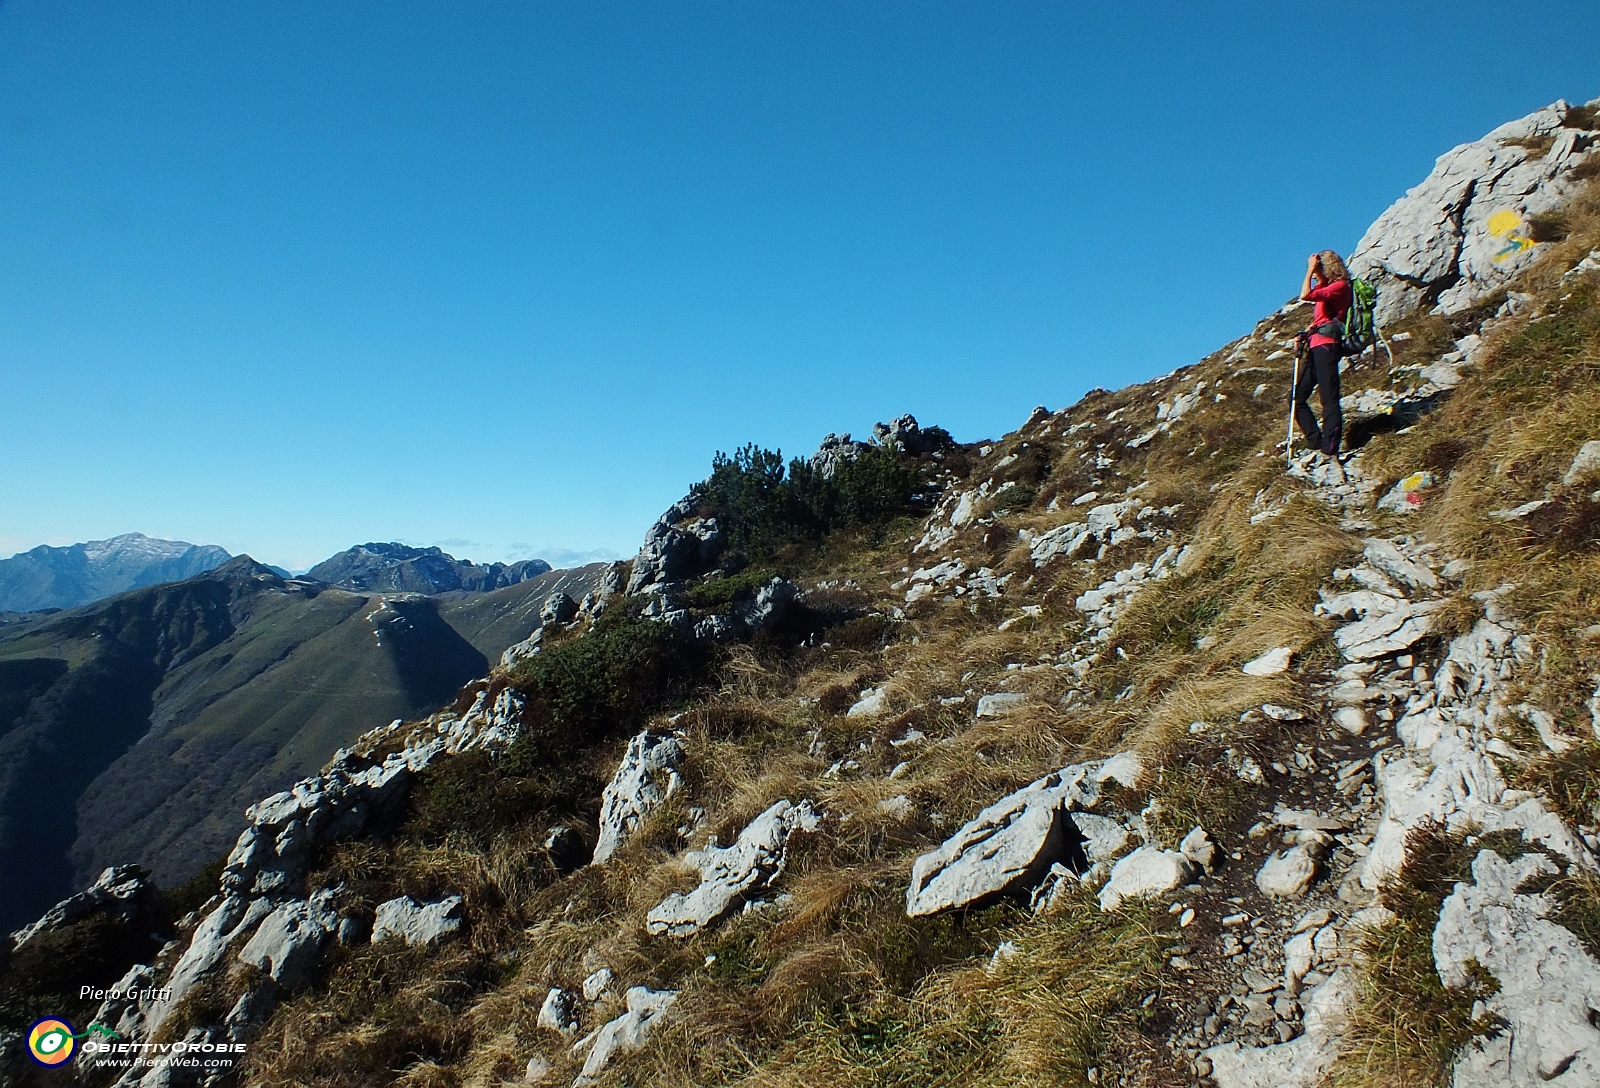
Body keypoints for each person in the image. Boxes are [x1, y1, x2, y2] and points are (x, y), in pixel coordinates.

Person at [1294, 250, 1353, 457]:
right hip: (1315, 344)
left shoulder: (1340, 287)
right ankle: (1315, 440)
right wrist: (1307, 333)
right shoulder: (1327, 287)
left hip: (1328, 346)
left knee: (1328, 398)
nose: (1317, 273)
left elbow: (1305, 295)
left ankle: (1330, 446)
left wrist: (1310, 270)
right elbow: (1320, 318)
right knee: (1296, 398)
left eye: (1320, 269)